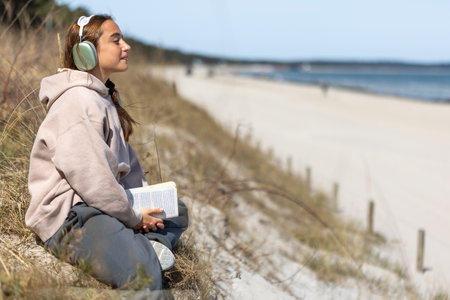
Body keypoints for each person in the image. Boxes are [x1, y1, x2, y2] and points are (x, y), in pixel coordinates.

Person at [25, 15, 188, 295]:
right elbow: (93, 181)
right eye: (116, 40)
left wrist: (143, 202)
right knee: (143, 272)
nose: (126, 46)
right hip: (72, 216)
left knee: (178, 210)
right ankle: (144, 253)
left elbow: (130, 166)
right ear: (86, 52)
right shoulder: (78, 101)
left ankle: (144, 246)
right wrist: (134, 217)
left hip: (104, 203)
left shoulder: (105, 96)